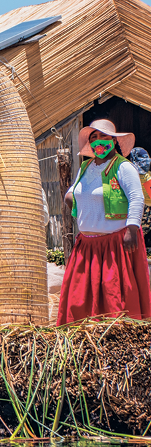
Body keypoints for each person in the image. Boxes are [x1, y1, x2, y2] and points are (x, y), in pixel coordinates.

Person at [59, 119, 150, 325]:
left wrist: (132, 228)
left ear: (114, 141)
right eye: (94, 138)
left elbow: (137, 198)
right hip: (86, 245)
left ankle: (115, 336)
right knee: (80, 296)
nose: (99, 141)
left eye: (104, 137)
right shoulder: (86, 166)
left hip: (114, 245)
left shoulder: (124, 168)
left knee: (114, 295)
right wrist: (85, 207)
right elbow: (71, 193)